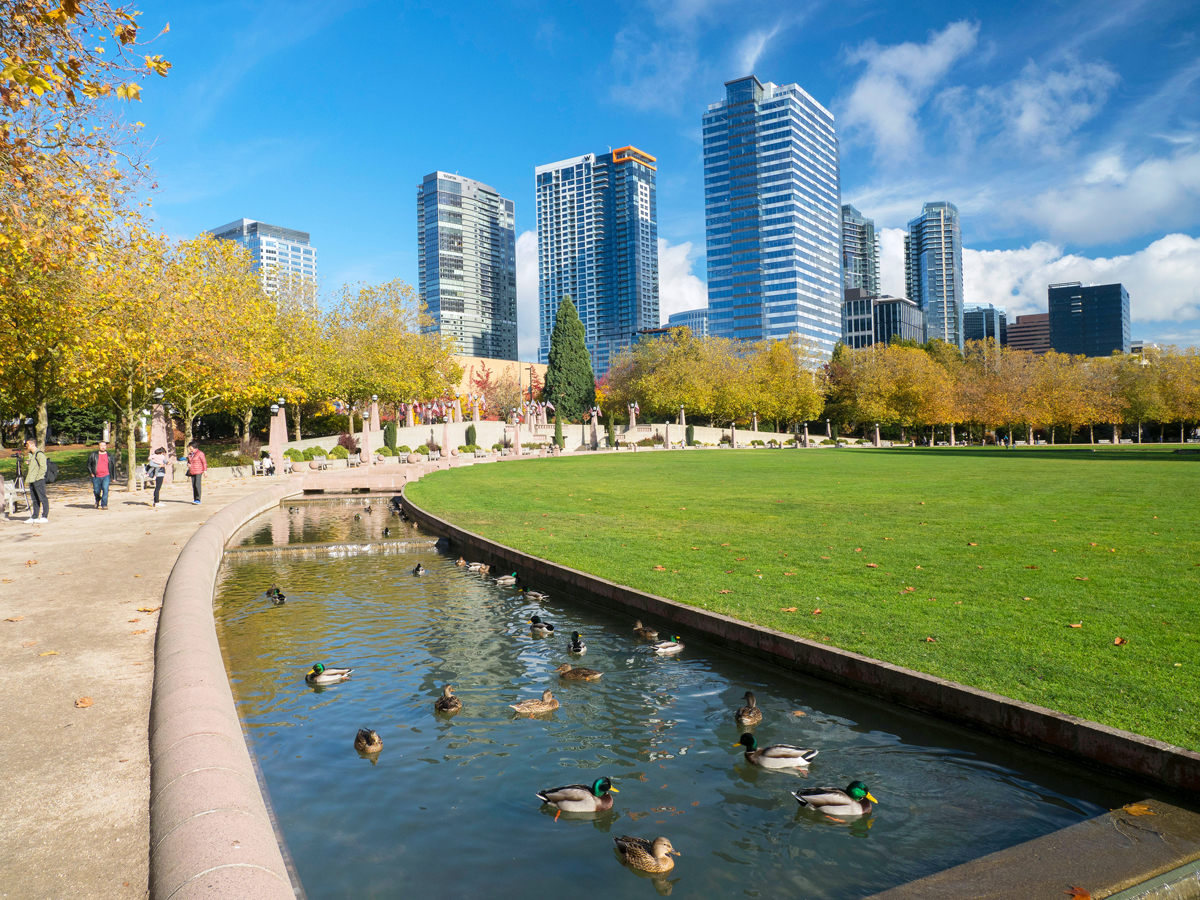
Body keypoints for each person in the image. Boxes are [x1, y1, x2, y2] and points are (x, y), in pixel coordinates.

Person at [24, 439, 49, 523]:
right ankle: (35, 516)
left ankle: (44, 516)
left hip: (38, 480)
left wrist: (38, 477)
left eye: (27, 444)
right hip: (32, 479)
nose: (26, 445)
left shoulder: (39, 454)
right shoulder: (31, 454)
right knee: (34, 499)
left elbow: (43, 467)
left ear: (33, 444)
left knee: (42, 498)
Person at [87, 440, 115, 509]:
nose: (103, 447)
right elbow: (88, 465)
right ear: (98, 446)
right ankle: (97, 499)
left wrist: (114, 477)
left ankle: (104, 504)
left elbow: (113, 467)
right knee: (96, 490)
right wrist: (91, 473)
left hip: (106, 475)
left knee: (105, 489)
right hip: (96, 476)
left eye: (104, 445)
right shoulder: (93, 455)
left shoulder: (110, 456)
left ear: (106, 446)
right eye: (101, 445)